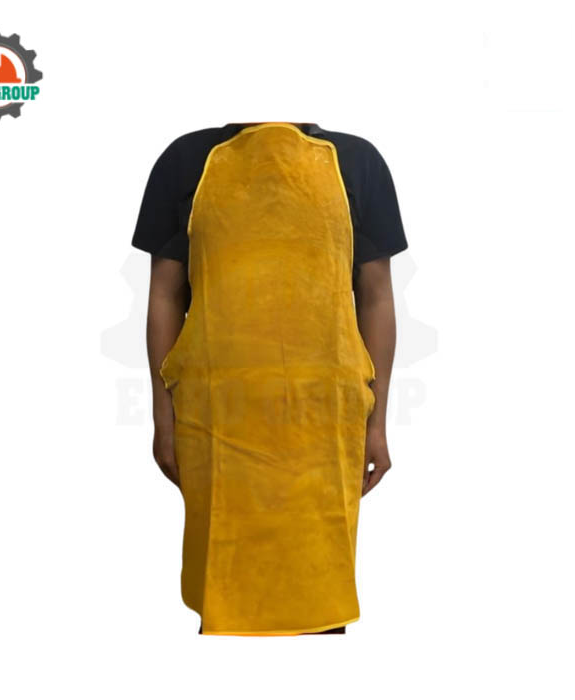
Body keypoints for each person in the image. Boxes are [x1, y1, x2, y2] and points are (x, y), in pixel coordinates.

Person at [132, 122, 408, 636]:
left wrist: (378, 423)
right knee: (227, 595)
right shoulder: (186, 160)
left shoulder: (358, 163)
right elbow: (165, 293)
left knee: (316, 596)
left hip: (322, 427)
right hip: (218, 426)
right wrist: (161, 415)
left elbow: (376, 296)